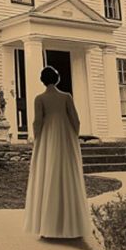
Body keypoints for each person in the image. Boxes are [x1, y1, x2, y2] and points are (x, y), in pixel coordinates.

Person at [23, 65, 90, 239]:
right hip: (65, 139)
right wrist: (73, 137)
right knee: (67, 175)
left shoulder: (40, 98)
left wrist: (37, 141)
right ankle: (72, 226)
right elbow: (76, 120)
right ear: (57, 79)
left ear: (43, 81)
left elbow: (37, 122)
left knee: (47, 175)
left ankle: (48, 226)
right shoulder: (66, 97)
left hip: (47, 139)